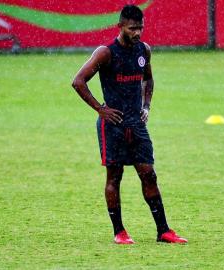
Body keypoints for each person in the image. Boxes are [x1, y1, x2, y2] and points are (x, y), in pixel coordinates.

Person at [71, 5, 187, 244]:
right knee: (115, 177)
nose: (138, 33)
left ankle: (163, 231)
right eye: (133, 28)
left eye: (141, 27)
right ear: (120, 26)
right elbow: (78, 81)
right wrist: (100, 109)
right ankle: (119, 232)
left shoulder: (144, 50)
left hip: (136, 124)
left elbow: (149, 79)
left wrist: (146, 106)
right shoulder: (106, 53)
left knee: (149, 175)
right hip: (112, 125)